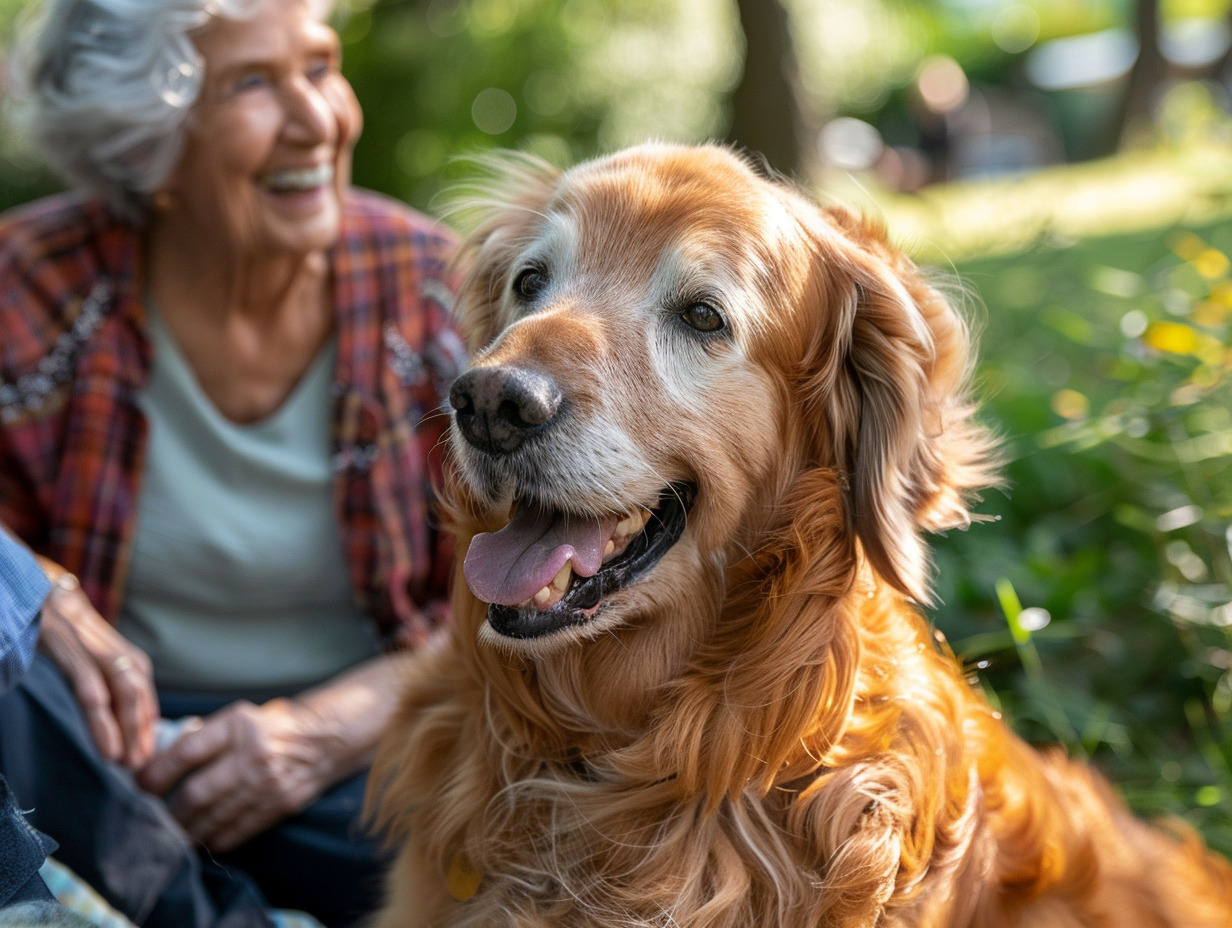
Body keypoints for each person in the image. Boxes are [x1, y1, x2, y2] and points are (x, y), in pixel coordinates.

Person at [0, 0, 465, 925]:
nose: (319, 119)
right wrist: (33, 587)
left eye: (321, 66)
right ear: (150, 140)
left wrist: (315, 733)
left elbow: (515, 604)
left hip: (365, 755)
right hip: (101, 762)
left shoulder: (433, 290)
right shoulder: (31, 283)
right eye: (253, 81)